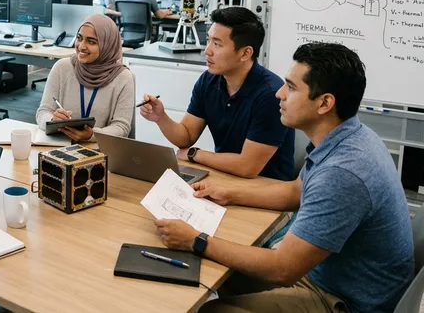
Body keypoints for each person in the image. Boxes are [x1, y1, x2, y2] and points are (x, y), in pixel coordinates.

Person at [154, 43, 414, 313]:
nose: (279, 94)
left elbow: (283, 269)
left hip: (346, 301)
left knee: (211, 308)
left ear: (325, 103)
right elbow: (297, 192)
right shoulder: (347, 136)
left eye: (291, 87)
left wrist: (196, 239)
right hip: (329, 275)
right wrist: (229, 193)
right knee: (220, 267)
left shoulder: (343, 172)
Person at [140, 7, 295, 180]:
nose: (207, 51)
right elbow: (186, 136)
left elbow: (247, 166)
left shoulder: (270, 94)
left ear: (245, 53)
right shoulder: (209, 81)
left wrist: (194, 154)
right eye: (208, 40)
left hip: (266, 188)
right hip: (224, 177)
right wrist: (161, 118)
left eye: (217, 44)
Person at [36, 13, 135, 140]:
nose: (81, 46)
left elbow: (122, 127)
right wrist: (52, 120)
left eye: (91, 41)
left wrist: (92, 135)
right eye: (79, 38)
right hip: (61, 145)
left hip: (99, 149)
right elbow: (43, 112)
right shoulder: (62, 67)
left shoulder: (123, 77)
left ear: (107, 45)